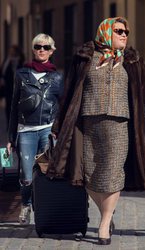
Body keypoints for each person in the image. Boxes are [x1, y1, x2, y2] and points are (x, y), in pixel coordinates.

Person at [47, 17, 145, 245]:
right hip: (87, 124)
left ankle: (104, 223)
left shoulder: (132, 61)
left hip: (120, 125)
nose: (124, 34)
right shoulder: (84, 58)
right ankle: (108, 212)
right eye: (119, 31)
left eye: (126, 31)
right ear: (105, 32)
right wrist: (59, 125)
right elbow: (69, 93)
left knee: (113, 174)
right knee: (89, 174)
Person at [7, 34, 63, 225]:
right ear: (33, 49)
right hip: (25, 131)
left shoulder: (57, 77)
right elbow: (14, 106)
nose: (42, 50)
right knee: (26, 174)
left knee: (46, 172)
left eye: (46, 47)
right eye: (38, 46)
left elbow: (62, 107)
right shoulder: (21, 74)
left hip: (47, 130)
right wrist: (10, 136)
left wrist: (58, 130)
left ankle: (42, 207)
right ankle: (26, 204)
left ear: (52, 50)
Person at [0, 45, 24, 126]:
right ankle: (9, 124)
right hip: (7, 87)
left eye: (13, 51)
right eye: (10, 51)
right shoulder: (7, 60)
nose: (11, 52)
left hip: (16, 87)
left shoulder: (20, 61)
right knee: (8, 106)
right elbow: (2, 70)